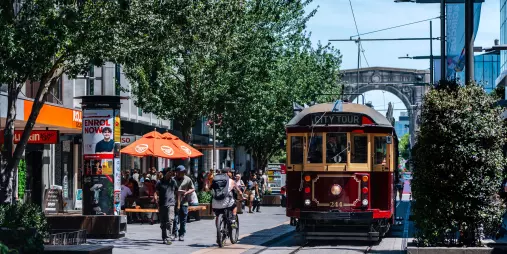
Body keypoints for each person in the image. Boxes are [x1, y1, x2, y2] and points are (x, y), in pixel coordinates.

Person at [154, 171, 178, 245]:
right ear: (165, 174)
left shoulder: (173, 182)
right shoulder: (160, 182)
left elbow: (176, 192)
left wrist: (177, 202)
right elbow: (156, 192)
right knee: (163, 222)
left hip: (171, 204)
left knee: (170, 221)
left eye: (171, 173)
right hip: (162, 204)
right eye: (169, 173)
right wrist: (155, 198)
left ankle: (168, 238)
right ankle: (164, 237)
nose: (171, 174)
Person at [174, 165, 195, 241]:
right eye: (181, 172)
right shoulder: (173, 180)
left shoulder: (187, 179)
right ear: (177, 172)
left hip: (184, 201)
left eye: (183, 172)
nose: (183, 173)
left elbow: (193, 188)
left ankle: (181, 233)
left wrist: (186, 192)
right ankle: (174, 232)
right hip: (174, 201)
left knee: (183, 219)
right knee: (174, 218)